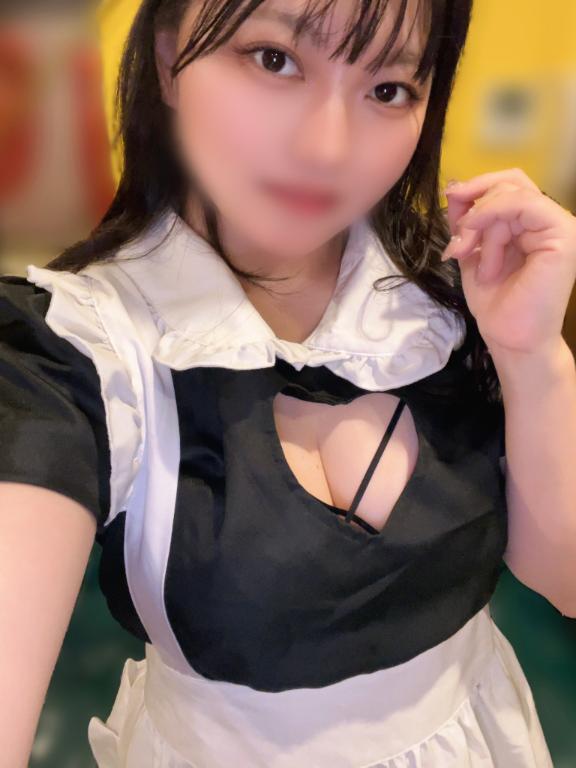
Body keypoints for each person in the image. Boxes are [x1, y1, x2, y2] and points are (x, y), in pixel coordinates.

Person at [2, 0, 575, 765]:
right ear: (168, 60)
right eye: (274, 59)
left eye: (388, 88)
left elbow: (565, 577)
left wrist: (532, 352)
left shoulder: (455, 288)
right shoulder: (73, 350)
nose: (327, 148)